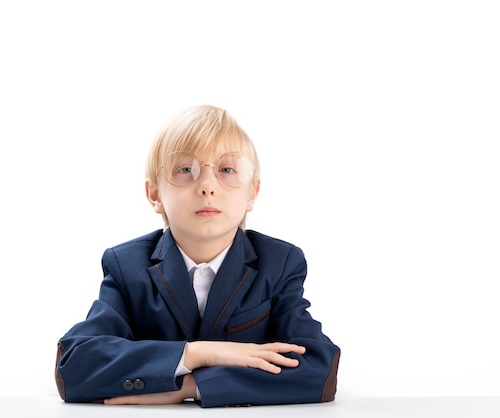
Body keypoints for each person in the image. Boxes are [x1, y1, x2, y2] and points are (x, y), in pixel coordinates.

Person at [54, 105, 340, 408]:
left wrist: (192, 385)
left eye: (227, 170)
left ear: (252, 193)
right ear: (155, 195)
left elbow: (319, 368)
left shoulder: (279, 263)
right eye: (185, 170)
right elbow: (74, 365)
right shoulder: (127, 266)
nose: (207, 187)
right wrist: (196, 353)